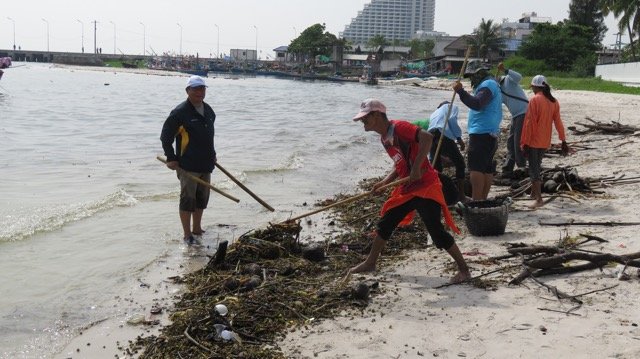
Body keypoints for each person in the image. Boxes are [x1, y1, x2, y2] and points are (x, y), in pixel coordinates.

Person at [348, 98, 471, 283]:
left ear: (377, 115)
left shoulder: (399, 127)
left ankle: (464, 270)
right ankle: (370, 262)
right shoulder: (385, 138)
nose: (362, 121)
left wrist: (417, 167)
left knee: (436, 232)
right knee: (386, 222)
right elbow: (399, 165)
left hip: (426, 186)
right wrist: (383, 182)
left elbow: (427, 138)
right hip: (408, 188)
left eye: (365, 117)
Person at [160, 75, 217, 244]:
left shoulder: (208, 111)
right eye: (196, 89)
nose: (200, 92)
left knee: (201, 199)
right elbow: (165, 137)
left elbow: (209, 135)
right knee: (187, 200)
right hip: (188, 165)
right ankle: (187, 234)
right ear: (188, 91)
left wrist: (213, 154)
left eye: (202, 88)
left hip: (206, 164)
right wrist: (171, 158)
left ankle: (197, 228)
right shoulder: (180, 113)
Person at [453, 61, 503, 201]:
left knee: (476, 168)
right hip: (490, 131)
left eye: (472, 76)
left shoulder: (487, 85)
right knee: (486, 168)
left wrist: (461, 92)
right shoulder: (492, 84)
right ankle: (482, 200)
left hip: (481, 132)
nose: (471, 80)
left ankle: (477, 200)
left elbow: (477, 104)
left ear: (479, 73)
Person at [520, 75, 569, 209]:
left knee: (534, 169)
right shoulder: (553, 101)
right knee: (537, 165)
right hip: (544, 141)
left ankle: (539, 199)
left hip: (534, 141)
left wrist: (524, 142)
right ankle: (533, 193)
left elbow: (529, 123)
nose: (533, 90)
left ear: (536, 87)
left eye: (533, 88)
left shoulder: (535, 100)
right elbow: (558, 122)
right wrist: (563, 140)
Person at [426, 101, 467, 202]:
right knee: (460, 163)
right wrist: (459, 138)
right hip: (442, 132)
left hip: (430, 135)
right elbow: (452, 120)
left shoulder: (434, 113)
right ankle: (461, 196)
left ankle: (438, 195)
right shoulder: (450, 106)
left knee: (436, 167)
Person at [497, 62, 529, 177]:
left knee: (517, 142)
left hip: (524, 112)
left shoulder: (508, 79)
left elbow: (519, 77)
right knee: (510, 142)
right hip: (515, 115)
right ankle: (508, 167)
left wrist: (505, 70)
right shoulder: (498, 90)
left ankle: (521, 167)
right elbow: (496, 105)